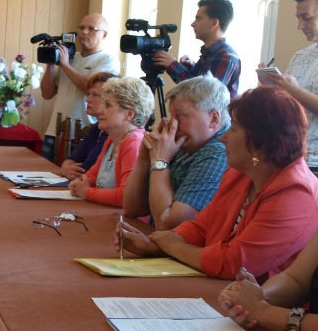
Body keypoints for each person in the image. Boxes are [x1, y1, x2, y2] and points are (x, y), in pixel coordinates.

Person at [118, 86, 318, 280]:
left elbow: (234, 263)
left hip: (254, 297)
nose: (224, 138)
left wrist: (172, 246)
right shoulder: (240, 174)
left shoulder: (295, 194)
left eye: (234, 128)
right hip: (220, 288)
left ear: (261, 141)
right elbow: (201, 227)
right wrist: (155, 245)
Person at [123, 76, 230, 230]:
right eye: (172, 117)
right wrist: (144, 158)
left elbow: (168, 226)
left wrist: (160, 161)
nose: (172, 125)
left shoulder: (219, 153)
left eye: (180, 116)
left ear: (213, 119)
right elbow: (132, 209)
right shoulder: (185, 142)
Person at [39, 13, 120, 161]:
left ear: (104, 35)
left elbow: (91, 88)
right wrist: (50, 64)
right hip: (54, 131)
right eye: (81, 28)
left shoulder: (107, 60)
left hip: (86, 134)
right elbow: (47, 93)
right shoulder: (69, 57)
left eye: (91, 29)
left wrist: (65, 65)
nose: (84, 32)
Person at [68, 77, 154, 207]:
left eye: (108, 105)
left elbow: (126, 197)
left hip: (124, 218)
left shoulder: (134, 143)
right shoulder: (112, 139)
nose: (100, 111)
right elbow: (92, 175)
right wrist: (79, 183)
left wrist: (86, 192)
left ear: (129, 114)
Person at [262, 0, 318, 172]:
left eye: (306, 18)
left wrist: (294, 90)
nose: (300, 26)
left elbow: (295, 92)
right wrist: (271, 87)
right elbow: (288, 104)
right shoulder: (300, 56)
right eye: (298, 18)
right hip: (291, 155)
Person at [153, 0, 241, 98]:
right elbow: (201, 81)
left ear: (214, 23)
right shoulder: (210, 53)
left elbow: (205, 96)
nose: (193, 24)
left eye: (198, 19)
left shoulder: (226, 57)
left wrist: (173, 65)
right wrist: (191, 66)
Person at [48, 71, 116, 180]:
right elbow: (72, 159)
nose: (88, 99)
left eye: (95, 95)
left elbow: (86, 169)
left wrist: (68, 169)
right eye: (88, 94)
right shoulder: (96, 128)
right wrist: (66, 168)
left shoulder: (111, 131)